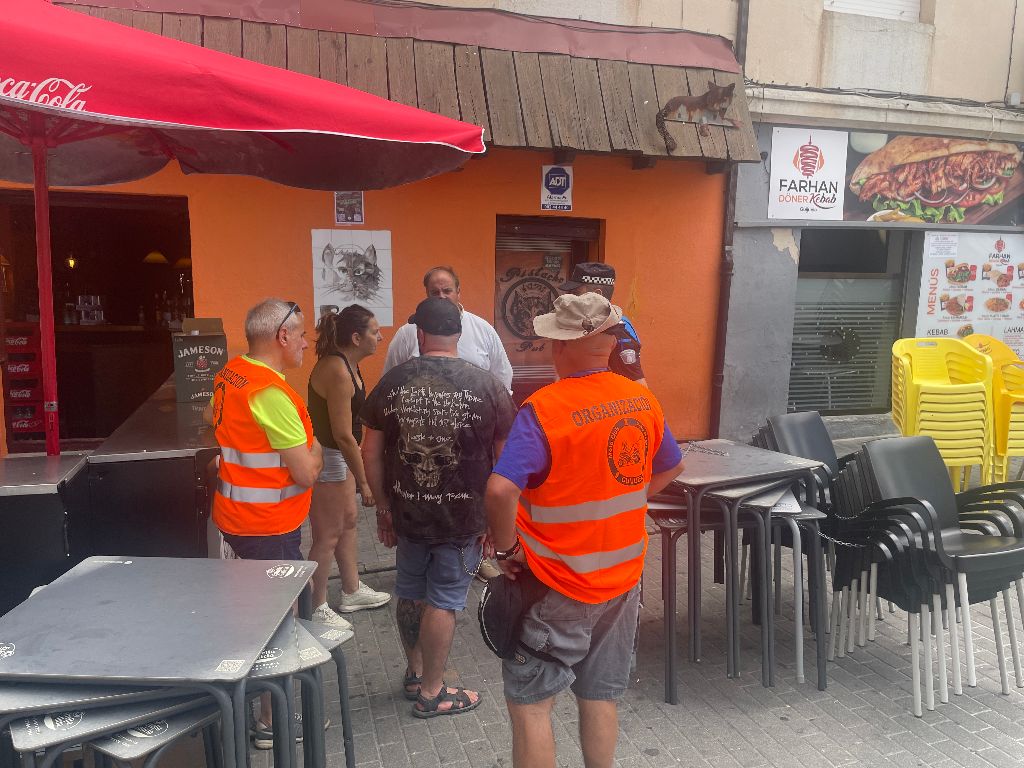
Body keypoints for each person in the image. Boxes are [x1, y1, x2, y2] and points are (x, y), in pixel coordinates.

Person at [484, 292, 684, 768]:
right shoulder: (642, 399)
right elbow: (671, 467)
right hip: (622, 580)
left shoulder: (545, 409)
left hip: (557, 582)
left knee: (532, 705)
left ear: (559, 345)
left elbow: (500, 490)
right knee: (600, 695)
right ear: (611, 344)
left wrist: (508, 549)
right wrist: (621, 502)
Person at [362, 297, 516, 717]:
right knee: (444, 600)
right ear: (459, 334)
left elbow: (369, 452)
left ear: (420, 333)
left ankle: (416, 674)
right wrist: (495, 519)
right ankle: (432, 692)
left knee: (411, 591)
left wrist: (383, 507)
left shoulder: (392, 382)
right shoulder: (488, 387)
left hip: (408, 513)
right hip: (461, 517)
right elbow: (504, 462)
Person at [207, 297, 323, 750]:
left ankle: (248, 703)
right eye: (302, 335)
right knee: (279, 620)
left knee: (251, 614)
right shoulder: (270, 393)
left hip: (235, 519)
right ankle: (272, 720)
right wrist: (316, 450)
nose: (306, 343)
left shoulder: (231, 373)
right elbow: (306, 473)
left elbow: (212, 421)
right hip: (268, 527)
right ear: (282, 336)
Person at [383, 265, 513, 582]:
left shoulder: (482, 330)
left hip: (471, 445)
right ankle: (425, 560)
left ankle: (475, 558)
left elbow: (503, 381)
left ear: (459, 291)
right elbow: (391, 382)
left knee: (469, 504)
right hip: (418, 444)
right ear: (426, 294)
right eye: (435, 292)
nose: (441, 296)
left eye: (447, 291)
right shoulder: (407, 333)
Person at [306, 305, 391, 631]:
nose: (380, 337)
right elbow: (342, 435)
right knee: (328, 534)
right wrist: (365, 482)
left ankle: (352, 590)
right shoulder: (337, 370)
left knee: (349, 521)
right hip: (330, 457)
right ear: (356, 337)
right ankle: (315, 606)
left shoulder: (349, 365)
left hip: (341, 455)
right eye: (375, 332)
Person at [559, 262, 647, 386]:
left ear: (597, 295)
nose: (570, 297)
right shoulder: (586, 323)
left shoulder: (617, 330)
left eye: (576, 292)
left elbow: (638, 386)